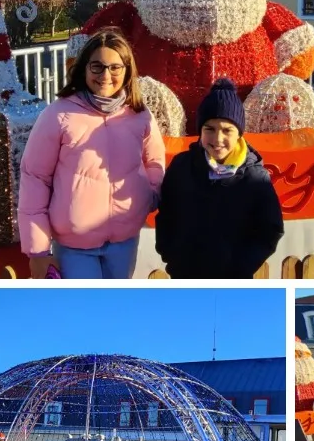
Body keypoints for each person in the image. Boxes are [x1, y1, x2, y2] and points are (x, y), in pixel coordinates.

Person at [19, 29, 166, 279]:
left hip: (124, 239)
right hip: (74, 245)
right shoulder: (59, 115)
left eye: (115, 67)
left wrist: (148, 196)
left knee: (114, 312)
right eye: (97, 67)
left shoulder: (140, 115)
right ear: (84, 69)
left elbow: (154, 161)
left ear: (127, 71)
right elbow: (35, 178)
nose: (106, 75)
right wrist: (38, 251)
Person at [155, 77, 285, 278]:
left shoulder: (254, 177)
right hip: (185, 275)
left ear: (239, 133)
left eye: (227, 130)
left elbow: (270, 229)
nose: (217, 139)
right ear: (200, 130)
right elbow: (167, 214)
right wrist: (171, 254)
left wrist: (242, 266)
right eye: (210, 129)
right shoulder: (182, 167)